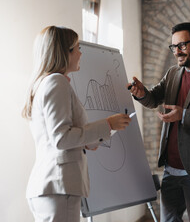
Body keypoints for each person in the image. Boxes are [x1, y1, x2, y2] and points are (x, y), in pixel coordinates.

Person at [22, 26, 131, 222]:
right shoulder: (56, 82)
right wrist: (107, 124)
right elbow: (61, 138)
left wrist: (98, 136)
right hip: (58, 186)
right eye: (77, 48)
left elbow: (59, 136)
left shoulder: (46, 83)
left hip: (52, 187)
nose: (81, 53)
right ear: (64, 53)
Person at [128, 22, 190, 222]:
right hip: (171, 169)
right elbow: (155, 98)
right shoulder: (173, 73)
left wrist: (183, 115)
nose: (177, 52)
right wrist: (141, 94)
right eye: (173, 47)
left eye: (182, 46)